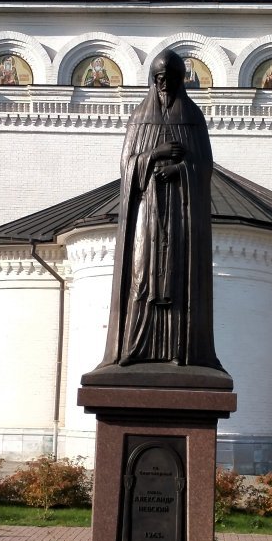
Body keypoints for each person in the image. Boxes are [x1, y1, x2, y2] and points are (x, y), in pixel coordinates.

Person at [96, 49, 224, 371]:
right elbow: (127, 168)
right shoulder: (140, 118)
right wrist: (156, 153)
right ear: (153, 81)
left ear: (181, 81)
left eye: (171, 78)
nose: (164, 84)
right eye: (159, 78)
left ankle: (178, 351)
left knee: (178, 278)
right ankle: (134, 347)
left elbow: (204, 167)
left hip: (180, 214)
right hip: (147, 211)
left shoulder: (192, 118)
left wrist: (179, 170)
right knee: (141, 276)